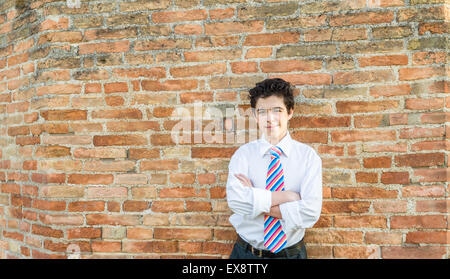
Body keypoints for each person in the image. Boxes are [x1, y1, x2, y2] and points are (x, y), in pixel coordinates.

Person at [226, 78, 323, 259]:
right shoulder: (243, 155)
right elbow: (235, 201)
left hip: (291, 254)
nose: (270, 119)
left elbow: (310, 213)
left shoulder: (308, 157)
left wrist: (253, 197)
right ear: (255, 116)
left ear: (290, 112)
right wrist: (287, 197)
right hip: (246, 254)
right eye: (262, 112)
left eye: (277, 110)